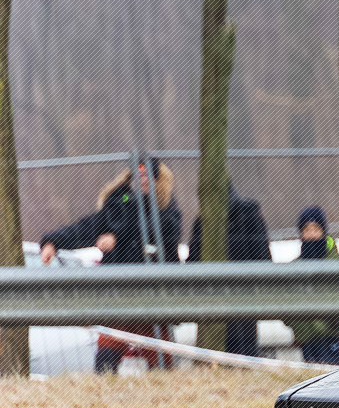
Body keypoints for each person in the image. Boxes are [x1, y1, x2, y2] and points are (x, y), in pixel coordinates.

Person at [39, 157, 181, 372]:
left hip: (152, 298)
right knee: (106, 362)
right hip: (119, 297)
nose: (144, 180)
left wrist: (118, 238)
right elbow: (89, 226)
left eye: (150, 176)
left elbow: (160, 235)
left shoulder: (167, 209)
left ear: (159, 180)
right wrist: (53, 242)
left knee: (161, 365)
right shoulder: (122, 201)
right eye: (140, 175)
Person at [189, 181, 272, 358]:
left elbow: (192, 262)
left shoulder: (207, 220)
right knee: (242, 350)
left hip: (223, 296)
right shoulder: (247, 215)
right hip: (240, 296)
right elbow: (263, 256)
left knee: (229, 349)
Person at [287, 206, 339, 364]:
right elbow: (285, 299)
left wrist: (327, 321)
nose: (311, 234)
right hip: (306, 338)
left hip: (332, 334)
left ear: (323, 231)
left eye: (316, 229)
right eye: (307, 230)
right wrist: (297, 325)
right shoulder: (295, 267)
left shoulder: (336, 262)